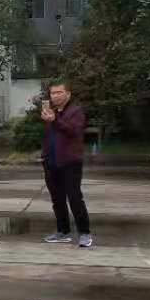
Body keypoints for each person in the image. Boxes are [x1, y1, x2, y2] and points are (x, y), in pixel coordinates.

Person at [40, 80, 93, 248]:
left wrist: (54, 120)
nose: (55, 96)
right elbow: (49, 137)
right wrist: (44, 155)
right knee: (57, 199)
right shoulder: (52, 112)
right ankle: (63, 232)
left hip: (70, 162)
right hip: (51, 162)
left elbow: (73, 130)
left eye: (59, 92)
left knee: (74, 197)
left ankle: (84, 233)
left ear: (68, 94)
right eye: (52, 93)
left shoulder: (75, 111)